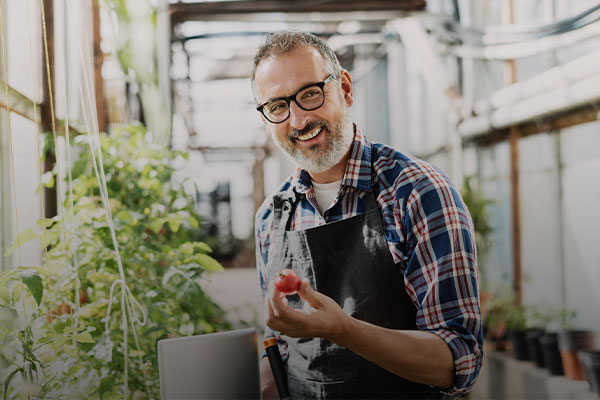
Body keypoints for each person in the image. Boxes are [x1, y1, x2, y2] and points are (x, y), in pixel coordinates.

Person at [252, 30, 483, 399]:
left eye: (310, 94)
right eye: (278, 106)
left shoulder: (418, 193)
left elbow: (458, 360)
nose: (297, 121)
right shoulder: (272, 216)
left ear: (344, 88)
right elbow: (279, 345)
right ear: (266, 119)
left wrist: (344, 330)